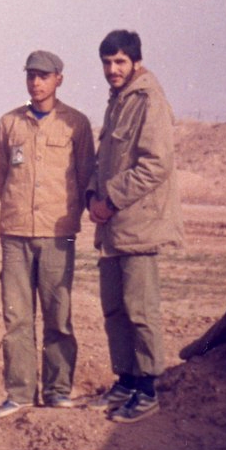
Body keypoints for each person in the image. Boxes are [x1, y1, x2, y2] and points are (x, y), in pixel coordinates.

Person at [86, 30, 184, 423]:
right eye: (107, 62)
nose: (112, 69)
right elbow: (105, 160)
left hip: (138, 226)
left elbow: (156, 165)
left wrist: (109, 200)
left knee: (140, 310)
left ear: (136, 62)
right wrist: (93, 197)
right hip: (113, 227)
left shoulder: (148, 100)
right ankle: (126, 381)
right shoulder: (118, 101)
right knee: (115, 309)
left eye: (120, 62)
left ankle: (147, 390)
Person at [0, 50, 95, 419]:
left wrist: (63, 216)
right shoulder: (9, 123)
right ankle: (19, 392)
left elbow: (85, 176)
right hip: (15, 234)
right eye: (31, 76)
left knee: (58, 315)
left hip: (57, 234)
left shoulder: (76, 124)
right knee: (17, 318)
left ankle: (57, 390)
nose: (36, 83)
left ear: (58, 79)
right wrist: (18, 210)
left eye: (44, 76)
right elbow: (2, 177)